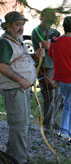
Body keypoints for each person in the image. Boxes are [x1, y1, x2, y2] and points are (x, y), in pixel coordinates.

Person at [0, 11, 44, 164]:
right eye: (17, 24)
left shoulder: (17, 41)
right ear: (8, 26)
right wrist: (20, 79)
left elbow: (19, 61)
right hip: (14, 89)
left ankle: (13, 156)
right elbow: (2, 66)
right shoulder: (5, 42)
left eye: (22, 25)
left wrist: (35, 56)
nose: (21, 28)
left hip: (20, 88)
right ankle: (18, 159)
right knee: (18, 124)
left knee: (22, 123)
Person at [48, 16, 71, 144]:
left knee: (66, 106)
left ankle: (64, 131)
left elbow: (51, 55)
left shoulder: (55, 42)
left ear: (64, 27)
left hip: (60, 80)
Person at [31, 8, 60, 133]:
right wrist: (52, 43)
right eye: (47, 20)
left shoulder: (54, 31)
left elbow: (59, 45)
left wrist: (52, 43)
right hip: (44, 67)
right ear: (41, 18)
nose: (49, 23)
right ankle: (47, 125)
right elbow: (48, 46)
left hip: (55, 65)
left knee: (57, 95)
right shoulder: (37, 30)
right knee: (49, 95)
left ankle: (54, 122)